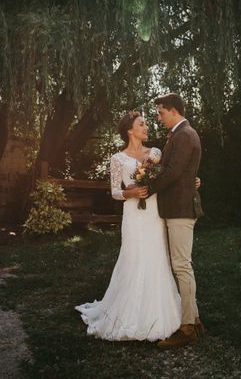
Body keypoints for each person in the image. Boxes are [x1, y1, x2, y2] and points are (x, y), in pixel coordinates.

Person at [74, 111, 182, 341]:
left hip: (153, 212)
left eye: (146, 124)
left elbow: (167, 177)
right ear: (129, 130)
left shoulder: (155, 152)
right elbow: (114, 192)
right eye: (141, 124)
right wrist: (130, 192)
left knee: (156, 256)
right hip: (133, 213)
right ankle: (127, 313)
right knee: (133, 256)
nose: (147, 127)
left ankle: (158, 312)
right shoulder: (117, 159)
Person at [152, 93, 205, 349]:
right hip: (177, 207)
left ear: (173, 111)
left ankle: (187, 328)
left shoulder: (184, 135)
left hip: (181, 209)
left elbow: (172, 173)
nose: (158, 117)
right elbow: (182, 172)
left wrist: (145, 186)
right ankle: (193, 317)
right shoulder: (181, 134)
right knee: (181, 265)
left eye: (160, 112)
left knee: (182, 266)